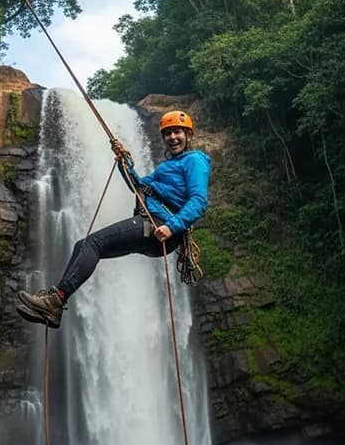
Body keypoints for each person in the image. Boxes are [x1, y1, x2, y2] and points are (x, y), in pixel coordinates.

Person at [16, 109, 211, 329]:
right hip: (153, 227)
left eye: (178, 132)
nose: (173, 138)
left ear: (189, 135)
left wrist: (171, 226)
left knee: (93, 243)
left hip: (157, 225)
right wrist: (123, 163)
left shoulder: (195, 160)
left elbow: (199, 201)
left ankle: (55, 301)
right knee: (84, 245)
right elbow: (137, 186)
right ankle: (54, 310)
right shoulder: (166, 168)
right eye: (168, 133)